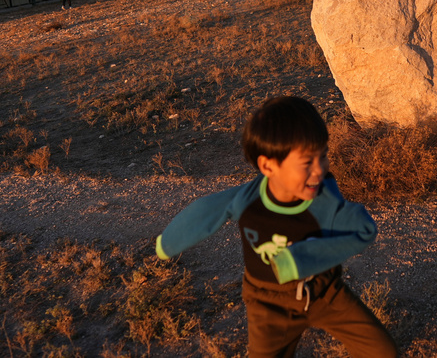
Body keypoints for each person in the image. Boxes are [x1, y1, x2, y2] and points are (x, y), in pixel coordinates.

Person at [156, 96, 397, 358]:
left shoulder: (325, 202)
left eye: (323, 155)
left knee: (380, 352)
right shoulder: (247, 199)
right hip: (267, 301)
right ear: (268, 165)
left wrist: (300, 259)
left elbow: (364, 229)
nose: (320, 169)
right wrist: (167, 244)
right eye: (307, 162)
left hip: (324, 292)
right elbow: (207, 210)